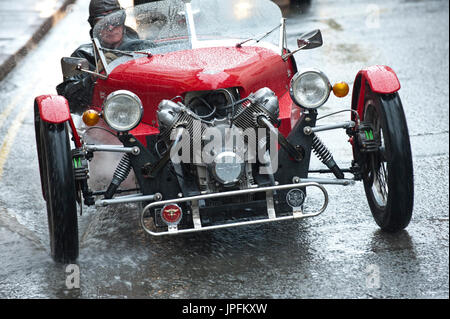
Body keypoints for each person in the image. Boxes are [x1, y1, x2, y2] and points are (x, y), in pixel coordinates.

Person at [57, 0, 139, 113]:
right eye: (102, 22)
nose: (110, 27)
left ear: (123, 20)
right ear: (94, 25)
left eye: (115, 19)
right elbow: (69, 101)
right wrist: (94, 76)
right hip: (104, 117)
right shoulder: (83, 54)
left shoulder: (145, 48)